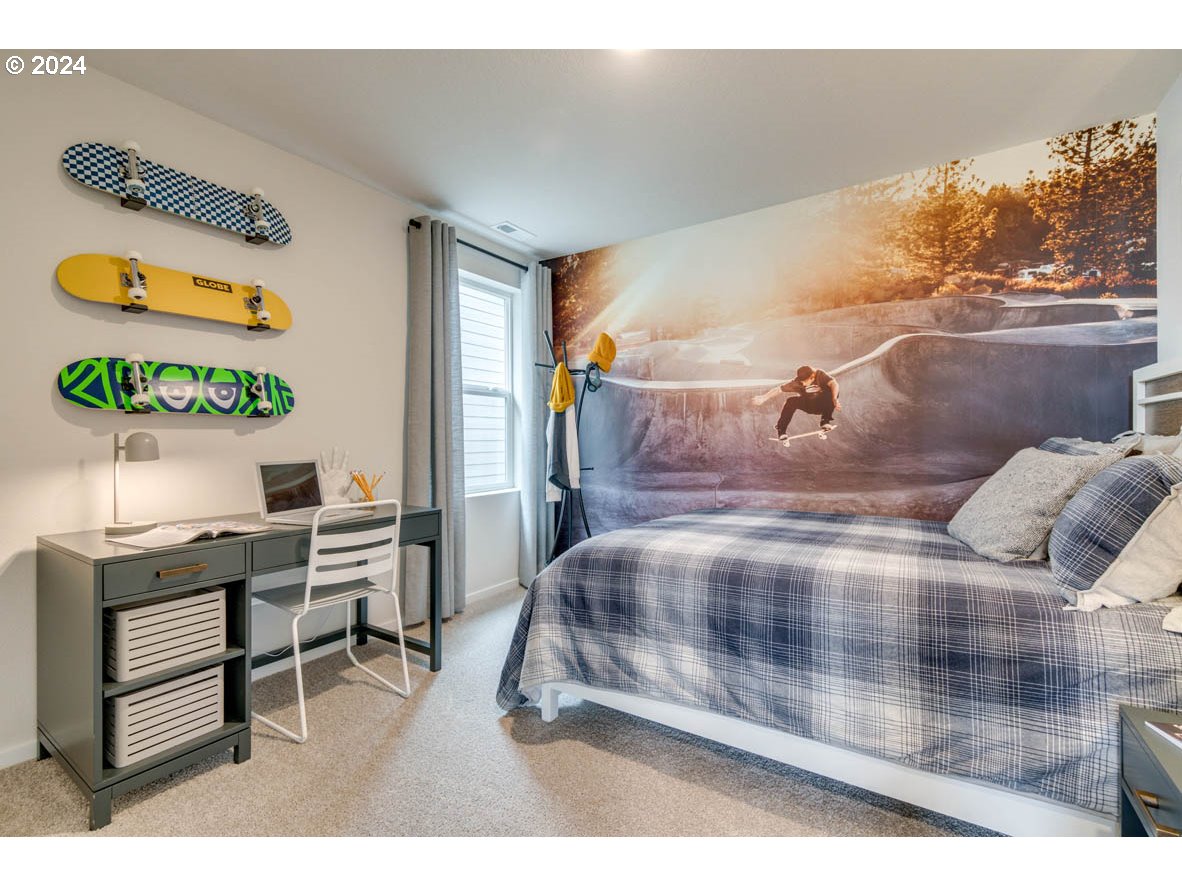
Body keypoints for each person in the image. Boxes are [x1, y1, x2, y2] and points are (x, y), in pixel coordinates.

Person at [752, 365, 841, 439]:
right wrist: (764, 397)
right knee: (791, 401)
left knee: (831, 391)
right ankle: (781, 429)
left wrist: (834, 399)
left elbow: (834, 384)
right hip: (810, 405)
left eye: (805, 381)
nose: (803, 384)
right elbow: (779, 389)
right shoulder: (796, 383)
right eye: (801, 382)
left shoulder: (820, 375)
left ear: (812, 376)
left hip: (823, 405)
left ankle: (825, 420)